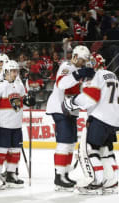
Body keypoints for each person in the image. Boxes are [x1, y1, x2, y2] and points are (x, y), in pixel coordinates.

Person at [63, 53, 119, 194]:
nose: (88, 65)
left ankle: (97, 182)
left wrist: (72, 102)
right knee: (107, 151)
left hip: (100, 118)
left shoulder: (97, 76)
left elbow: (90, 98)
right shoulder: (113, 75)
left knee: (91, 149)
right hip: (113, 119)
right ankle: (113, 181)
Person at [46, 45, 96, 191]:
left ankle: (65, 175)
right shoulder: (66, 66)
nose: (83, 63)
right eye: (82, 60)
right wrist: (79, 73)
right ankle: (59, 176)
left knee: (70, 143)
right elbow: (61, 84)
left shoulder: (78, 69)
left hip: (70, 110)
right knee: (64, 143)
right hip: (60, 109)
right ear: (74, 57)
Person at [0, 60, 35, 188]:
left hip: (16, 124)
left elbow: (22, 100)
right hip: (3, 124)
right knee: (1, 151)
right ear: (6, 71)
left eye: (16, 71)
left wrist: (29, 101)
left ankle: (11, 174)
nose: (15, 73)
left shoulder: (19, 85)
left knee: (16, 150)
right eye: (13, 71)